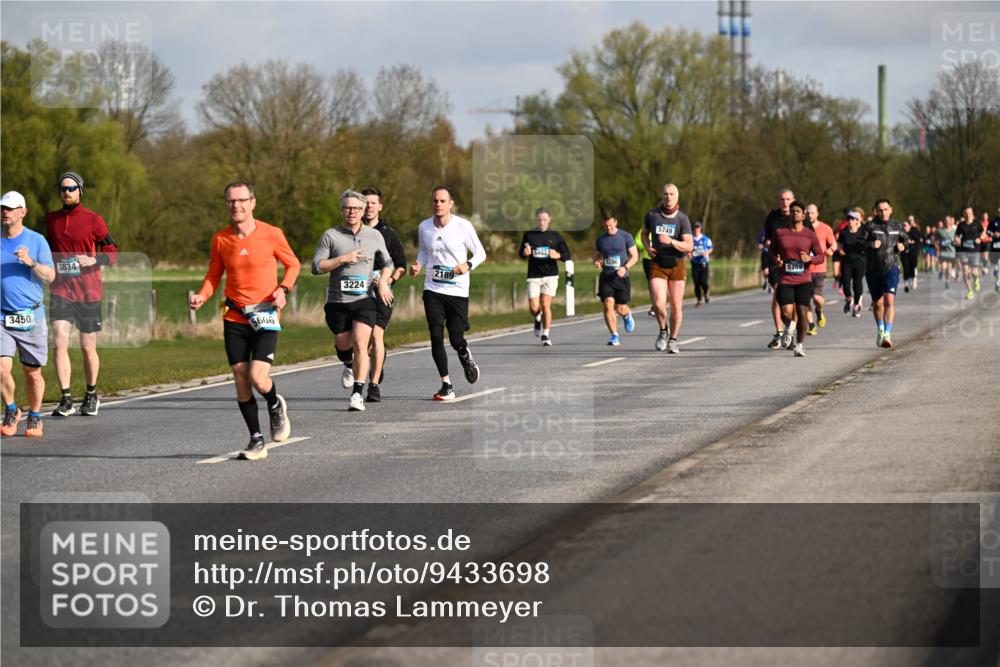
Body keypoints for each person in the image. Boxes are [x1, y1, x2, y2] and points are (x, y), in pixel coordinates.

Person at [189, 181, 300, 461]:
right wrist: (202, 295)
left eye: (241, 200)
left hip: (265, 314)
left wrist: (282, 289)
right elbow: (214, 274)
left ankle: (275, 404)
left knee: (258, 378)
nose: (235, 206)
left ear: (252, 202)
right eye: (230, 201)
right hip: (235, 315)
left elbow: (293, 264)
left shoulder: (272, 234)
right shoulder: (221, 239)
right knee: (240, 377)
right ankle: (256, 439)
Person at [313, 189, 394, 411]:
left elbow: (388, 263)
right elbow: (316, 267)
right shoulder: (331, 236)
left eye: (356, 208)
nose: (352, 212)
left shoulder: (374, 236)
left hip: (364, 300)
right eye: (347, 207)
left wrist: (384, 281)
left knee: (361, 343)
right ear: (341, 210)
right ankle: (348, 363)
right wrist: (341, 259)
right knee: (343, 345)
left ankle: (357, 393)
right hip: (337, 302)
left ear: (362, 210)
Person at [45, 171, 118, 417]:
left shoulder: (93, 219)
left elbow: (113, 253)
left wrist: (92, 259)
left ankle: (91, 394)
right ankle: (65, 399)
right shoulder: (51, 220)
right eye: (63, 188)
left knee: (87, 347)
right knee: (59, 342)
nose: (67, 192)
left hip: (88, 291)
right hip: (61, 290)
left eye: (72, 188)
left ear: (80, 191)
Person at [408, 186, 487, 401]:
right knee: (435, 336)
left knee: (455, 338)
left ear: (450, 203)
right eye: (435, 200)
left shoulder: (463, 226)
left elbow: (481, 253)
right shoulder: (424, 227)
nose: (438, 204)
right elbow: (424, 252)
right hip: (433, 288)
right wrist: (418, 265)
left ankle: (464, 354)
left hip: (458, 290)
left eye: (443, 201)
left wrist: (468, 264)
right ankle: (446, 384)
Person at [1, 192, 55, 438]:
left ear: (23, 211)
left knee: (31, 372)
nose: (5, 212)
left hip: (31, 315)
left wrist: (30, 262)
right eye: (3, 208)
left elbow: (51, 276)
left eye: (11, 208)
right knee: (1, 368)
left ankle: (34, 415)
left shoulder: (37, 240)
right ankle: (11, 409)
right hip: (2, 316)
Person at [361, 187, 406, 402]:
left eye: (372, 203)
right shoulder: (353, 232)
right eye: (365, 203)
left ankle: (374, 385)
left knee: (377, 335)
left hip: (383, 292)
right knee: (363, 341)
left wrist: (388, 281)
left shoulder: (388, 233)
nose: (369, 206)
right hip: (359, 291)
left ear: (380, 206)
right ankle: (370, 365)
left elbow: (401, 265)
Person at [642, 183, 693, 353]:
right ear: (661, 196)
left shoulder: (682, 219)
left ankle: (673, 340)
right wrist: (648, 247)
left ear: (677, 197)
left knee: (676, 306)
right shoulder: (652, 215)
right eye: (665, 194)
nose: (668, 197)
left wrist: (671, 241)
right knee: (658, 303)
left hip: (677, 264)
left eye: (672, 194)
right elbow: (644, 233)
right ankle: (663, 330)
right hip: (658, 263)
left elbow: (689, 246)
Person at [771, 201, 824, 357]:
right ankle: (790, 325)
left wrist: (810, 259)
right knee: (785, 311)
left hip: (803, 279)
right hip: (785, 278)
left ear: (803, 215)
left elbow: (820, 256)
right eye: (793, 211)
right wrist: (776, 260)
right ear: (790, 214)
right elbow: (771, 251)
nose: (795, 213)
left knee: (802, 311)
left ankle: (799, 345)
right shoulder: (780, 233)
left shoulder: (809, 234)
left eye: (798, 211)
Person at [858, 198, 909, 348]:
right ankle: (880, 329)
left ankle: (887, 334)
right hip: (873, 269)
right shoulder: (869, 226)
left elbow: (906, 240)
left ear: (890, 210)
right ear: (876, 211)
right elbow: (859, 243)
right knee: (878, 303)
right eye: (880, 210)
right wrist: (870, 244)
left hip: (891, 267)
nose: (883, 212)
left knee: (889, 300)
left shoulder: (896, 225)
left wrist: (902, 246)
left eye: (886, 209)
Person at [519, 207, 571, 347]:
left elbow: (567, 255)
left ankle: (546, 334)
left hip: (550, 275)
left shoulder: (556, 236)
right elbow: (521, 254)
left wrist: (558, 255)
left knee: (545, 305)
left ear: (549, 220)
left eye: (544, 220)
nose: (542, 222)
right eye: (539, 220)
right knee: (534, 307)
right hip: (534, 275)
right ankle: (537, 317)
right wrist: (525, 253)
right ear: (536, 220)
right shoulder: (529, 235)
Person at [594, 209, 638, 347]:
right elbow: (598, 255)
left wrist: (625, 268)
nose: (609, 228)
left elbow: (635, 256)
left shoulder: (626, 237)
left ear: (616, 222)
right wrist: (597, 261)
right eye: (606, 226)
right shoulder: (600, 239)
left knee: (620, 308)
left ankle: (627, 315)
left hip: (621, 277)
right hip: (606, 277)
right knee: (608, 304)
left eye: (611, 225)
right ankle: (614, 335)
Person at [764, 188, 795, 349]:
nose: (785, 202)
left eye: (788, 199)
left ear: (793, 200)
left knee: (792, 301)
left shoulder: (798, 216)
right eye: (782, 199)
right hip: (776, 263)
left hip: (794, 263)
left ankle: (789, 330)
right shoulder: (772, 217)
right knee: (777, 295)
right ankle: (779, 332)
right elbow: (767, 241)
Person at [804, 204, 836, 335]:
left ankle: (820, 310)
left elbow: (833, 243)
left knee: (817, 298)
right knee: (805, 299)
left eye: (812, 213)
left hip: (820, 268)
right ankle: (811, 326)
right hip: (804, 269)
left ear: (817, 214)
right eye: (808, 213)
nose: (810, 215)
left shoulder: (825, 228)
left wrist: (831, 249)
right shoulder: (802, 228)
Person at [835, 210, 866, 317]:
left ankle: (857, 306)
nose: (850, 221)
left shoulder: (862, 231)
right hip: (847, 261)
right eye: (849, 219)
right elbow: (838, 245)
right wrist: (840, 250)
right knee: (846, 285)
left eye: (852, 219)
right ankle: (849, 299)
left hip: (860, 262)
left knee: (857, 285)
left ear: (857, 221)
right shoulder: (844, 232)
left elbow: (868, 243)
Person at [955, 206, 981, 300]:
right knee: (965, 273)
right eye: (966, 213)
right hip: (964, 251)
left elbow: (983, 233)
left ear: (972, 213)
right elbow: (957, 236)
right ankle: (970, 291)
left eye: (969, 213)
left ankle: (976, 279)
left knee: (974, 272)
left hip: (975, 250)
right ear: (964, 214)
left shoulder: (977, 223)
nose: (968, 214)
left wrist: (980, 239)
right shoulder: (961, 225)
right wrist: (957, 240)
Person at [689, 221, 713, 307]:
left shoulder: (706, 239)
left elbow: (711, 248)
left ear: (700, 228)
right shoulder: (690, 239)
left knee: (704, 282)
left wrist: (706, 253)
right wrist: (689, 255)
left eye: (698, 228)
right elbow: (688, 250)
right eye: (695, 228)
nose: (696, 229)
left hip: (703, 263)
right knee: (696, 283)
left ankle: (706, 293)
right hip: (694, 263)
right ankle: (699, 299)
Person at [634, 225, 656, 314]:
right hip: (647, 259)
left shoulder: (660, 227)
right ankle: (654, 305)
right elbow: (637, 241)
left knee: (659, 282)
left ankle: (658, 304)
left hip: (659, 259)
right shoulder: (643, 230)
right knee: (651, 283)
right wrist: (646, 244)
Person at [901, 216, 921, 293]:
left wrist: (912, 242)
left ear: (909, 225)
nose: (904, 227)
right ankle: (906, 285)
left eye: (905, 225)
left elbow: (918, 241)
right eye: (903, 225)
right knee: (906, 268)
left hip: (913, 251)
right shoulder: (901, 233)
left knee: (912, 267)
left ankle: (913, 280)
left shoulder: (914, 231)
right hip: (904, 253)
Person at [936, 216, 957, 289]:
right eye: (946, 221)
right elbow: (935, 240)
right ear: (944, 222)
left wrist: (956, 242)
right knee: (944, 267)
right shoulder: (940, 231)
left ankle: (947, 281)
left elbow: (958, 240)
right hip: (943, 252)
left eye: (949, 221)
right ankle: (941, 271)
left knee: (949, 268)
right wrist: (937, 247)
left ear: (951, 222)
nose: (947, 222)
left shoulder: (954, 231)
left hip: (951, 252)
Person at [988, 208, 1000, 291]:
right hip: (995, 246)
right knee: (996, 264)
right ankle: (995, 269)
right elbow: (987, 231)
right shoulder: (993, 221)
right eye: (999, 212)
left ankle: (998, 283)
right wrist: (993, 233)